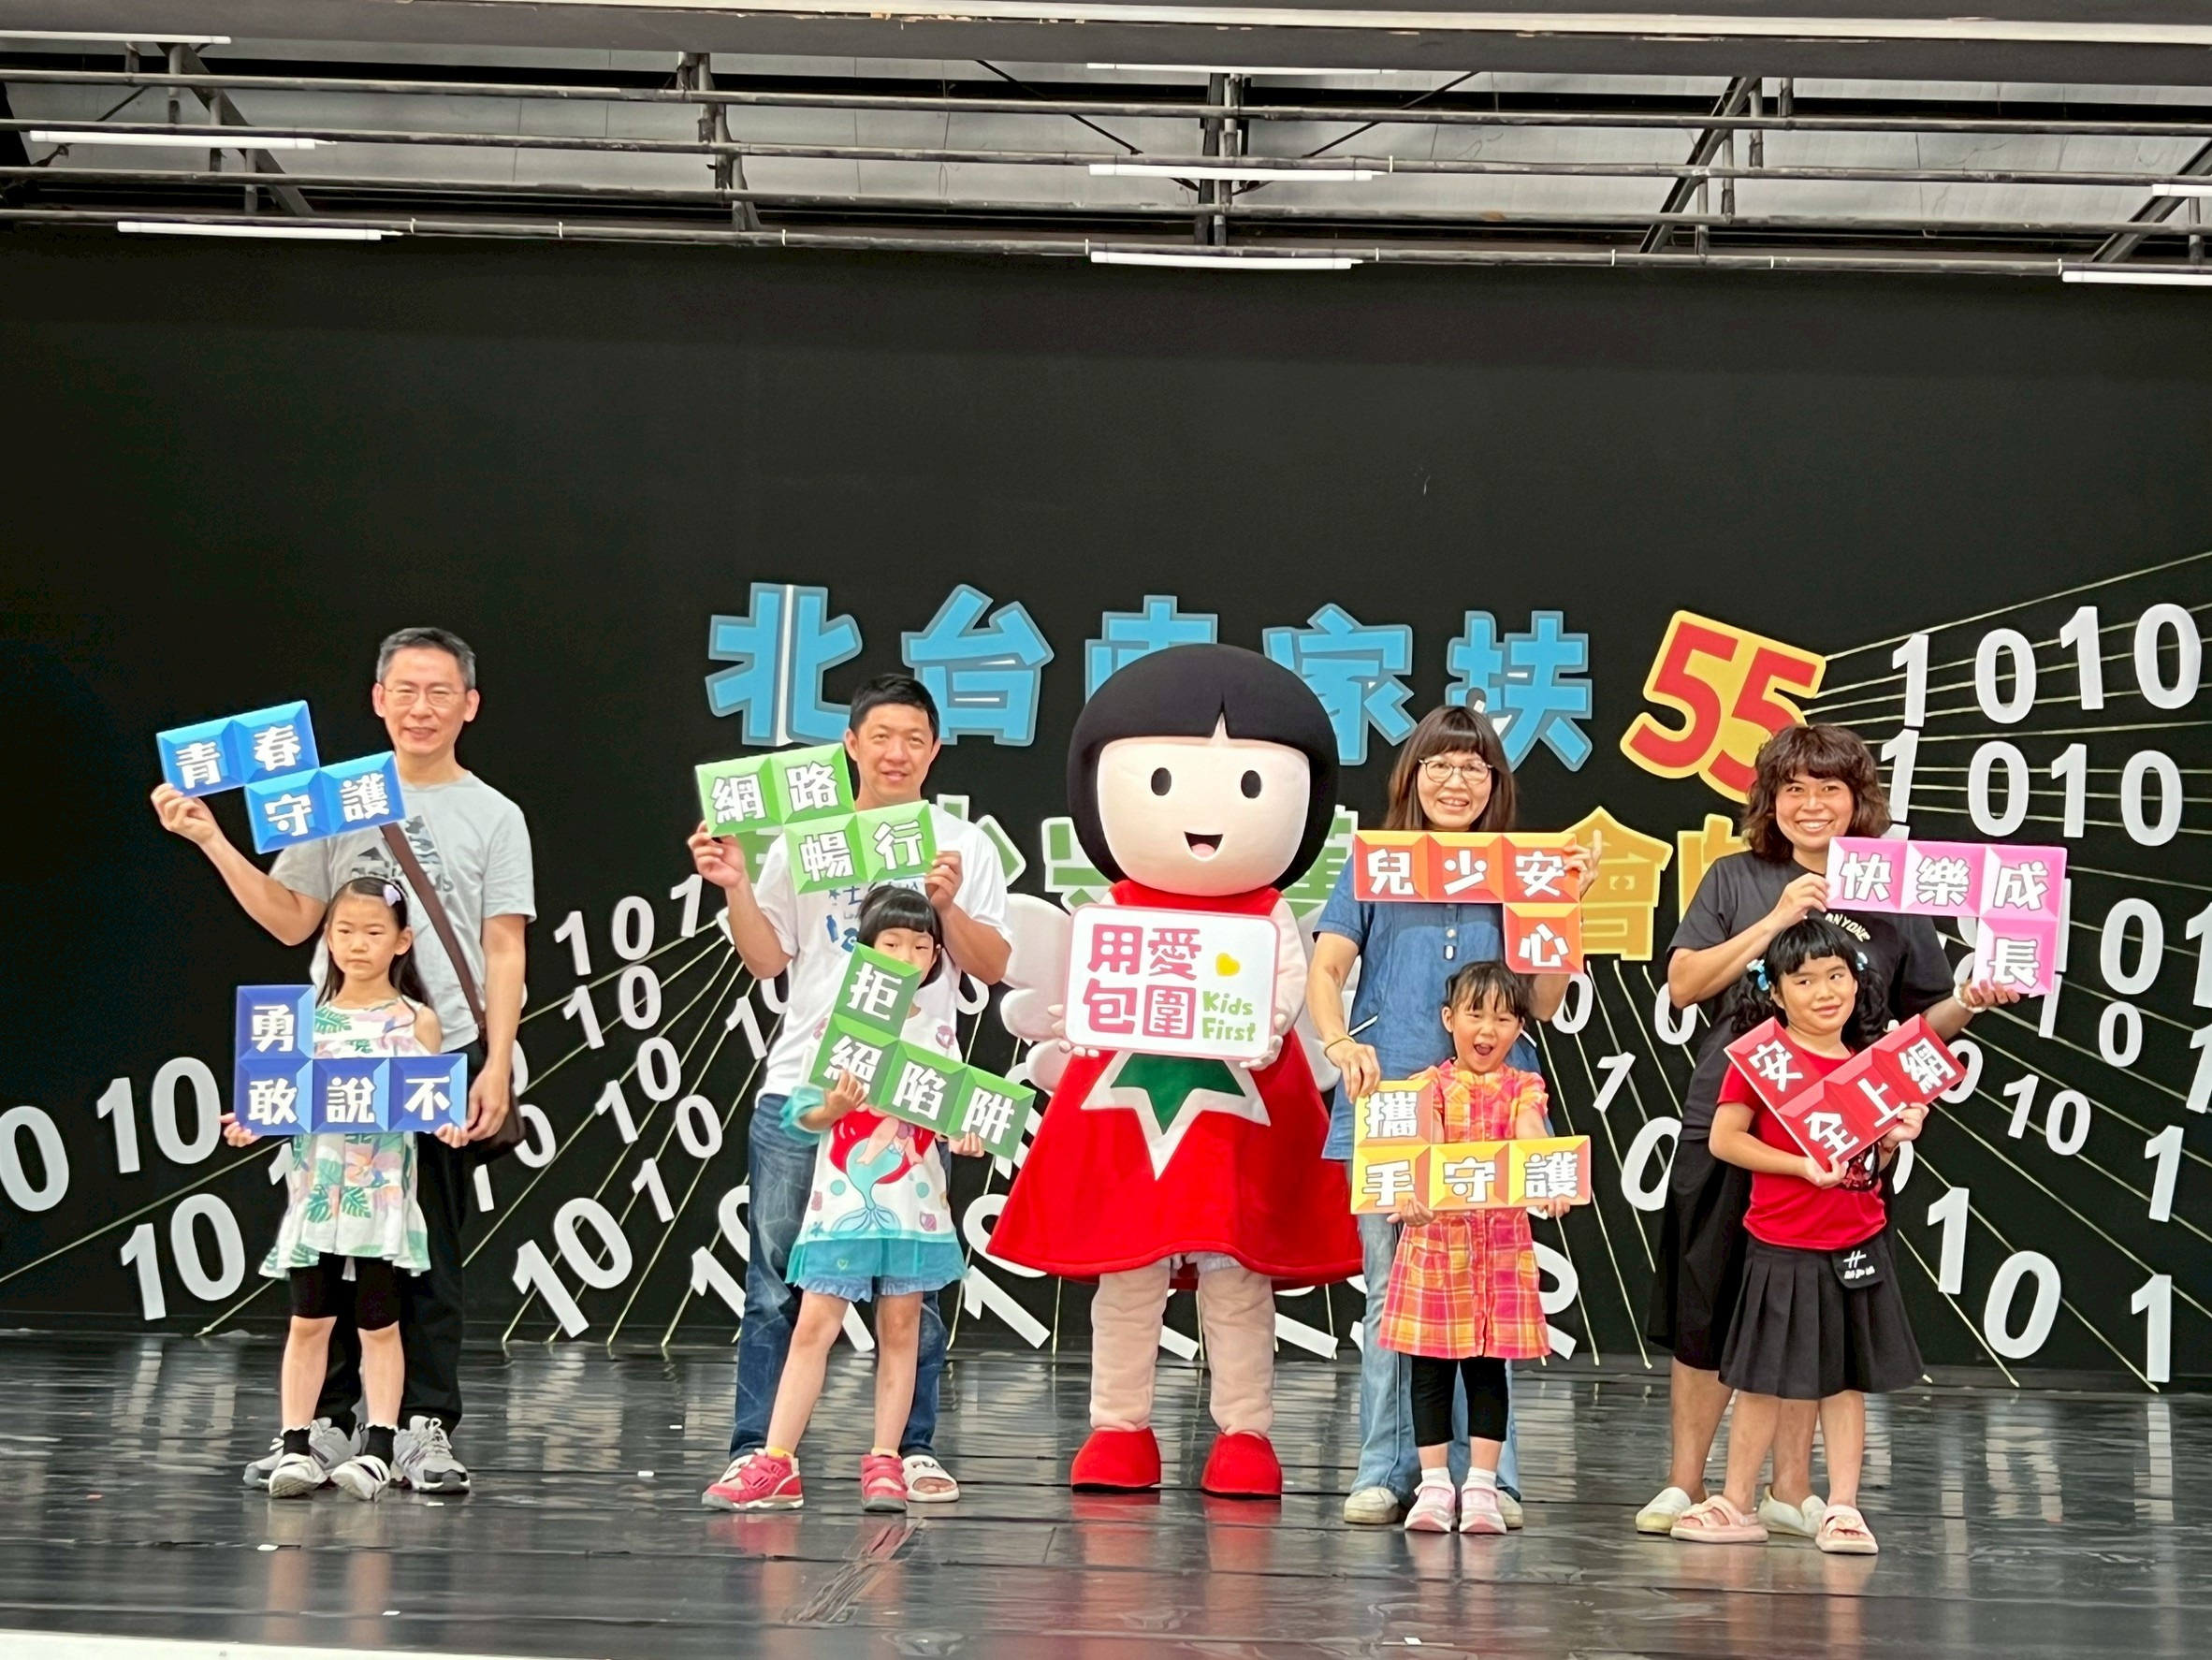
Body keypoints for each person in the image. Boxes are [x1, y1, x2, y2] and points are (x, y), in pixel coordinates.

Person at [152, 626, 533, 1495]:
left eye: (441, 692)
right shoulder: (335, 797)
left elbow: (504, 947)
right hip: (333, 1056)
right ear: (378, 699)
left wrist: (496, 1063)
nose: (422, 708)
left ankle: (421, 1428)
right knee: (322, 1250)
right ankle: (319, 1428)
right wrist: (212, 839)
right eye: (406, 690)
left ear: (470, 705)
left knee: (423, 1253)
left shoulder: (495, 815)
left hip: (437, 1052)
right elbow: (293, 919)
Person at [989, 644, 1361, 1499]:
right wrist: (1080, 1019)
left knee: (1238, 1279)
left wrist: (1262, 1026)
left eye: (1252, 786)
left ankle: (1245, 1432)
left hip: (1243, 1119)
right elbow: (1084, 992)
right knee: (1128, 1276)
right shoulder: (1112, 911)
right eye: (1159, 781)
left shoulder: (1271, 915)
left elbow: (1284, 995)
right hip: (1127, 1119)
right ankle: (1118, 1427)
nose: (1205, 813)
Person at [1639, 722, 2013, 1536]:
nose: (1812, 804)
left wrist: (1971, 1000)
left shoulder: (1893, 887)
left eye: (1830, 788)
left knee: (1808, 1308)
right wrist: (1774, 922)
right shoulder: (1737, 876)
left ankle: (1790, 1490)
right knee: (1707, 1303)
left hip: (1843, 1135)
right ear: (1770, 800)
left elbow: (1922, 1020)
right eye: (1794, 789)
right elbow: (1684, 984)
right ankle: (1683, 1483)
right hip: (1732, 1117)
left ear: (1858, 798)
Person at [693, 675, 1011, 1510]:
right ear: (851, 745)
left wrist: (947, 910)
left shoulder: (962, 845)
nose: (896, 753)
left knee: (911, 1292)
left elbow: (991, 967)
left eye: (914, 739)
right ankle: (762, 1453)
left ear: (935, 751)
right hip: (806, 1083)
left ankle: (909, 1450)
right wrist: (734, 884)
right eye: (881, 736)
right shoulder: (809, 841)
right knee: (778, 1282)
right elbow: (767, 958)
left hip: (912, 1095)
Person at [1306, 703, 1597, 1528]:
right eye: (1439, 764)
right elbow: (1326, 970)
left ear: (1495, 783)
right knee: (1392, 1293)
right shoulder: (1375, 861)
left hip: (1497, 1109)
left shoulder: (1522, 867)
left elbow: (1543, 1001)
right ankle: (1386, 1470)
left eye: (1473, 767)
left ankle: (1488, 1480)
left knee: (1489, 1293)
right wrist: (1339, 1042)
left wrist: (1564, 908)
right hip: (1394, 1100)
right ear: (1412, 777)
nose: (1456, 781)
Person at [714, 887, 987, 1512]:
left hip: (914, 1205)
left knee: (903, 1326)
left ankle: (886, 1459)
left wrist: (965, 1134)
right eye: (890, 943)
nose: (906, 956)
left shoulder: (937, 1034)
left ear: (935, 958)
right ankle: (776, 1460)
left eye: (920, 946)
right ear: (865, 951)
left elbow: (951, 1120)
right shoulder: (839, 1028)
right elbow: (802, 1115)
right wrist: (834, 1106)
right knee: (815, 1322)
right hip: (841, 1204)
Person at [1669, 919, 1931, 1554]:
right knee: (1760, 1380)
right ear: (1777, 992)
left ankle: (1843, 1508)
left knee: (1844, 1382)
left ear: (1857, 981)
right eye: (1805, 980)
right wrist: (1799, 1166)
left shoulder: (1874, 1067)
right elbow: (1726, 1139)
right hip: (1780, 1245)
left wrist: (1896, 1138)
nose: (1824, 992)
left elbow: (1870, 1165)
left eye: (1836, 975)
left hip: (1856, 1244)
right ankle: (1735, 1502)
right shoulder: (1763, 1058)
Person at [226, 879, 470, 1500]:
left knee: (380, 1326)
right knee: (308, 1322)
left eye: (373, 932)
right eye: (345, 931)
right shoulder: (300, 1021)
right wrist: (253, 1121)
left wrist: (446, 1120)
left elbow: (426, 1100)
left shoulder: (416, 1021)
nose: (358, 944)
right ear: (328, 938)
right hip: (317, 1198)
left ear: (402, 941)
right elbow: (280, 1098)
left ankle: (380, 1446)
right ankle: (296, 1444)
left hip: (381, 1199)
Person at [1379, 964, 1571, 1535]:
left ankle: (1483, 1486)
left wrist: (1545, 1172)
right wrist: (1417, 1189)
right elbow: (1427, 1145)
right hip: (1436, 1249)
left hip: (1500, 1252)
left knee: (1489, 1370)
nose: (1488, 1029)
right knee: (1430, 1371)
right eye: (1475, 1014)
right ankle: (1435, 1485)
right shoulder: (1428, 1086)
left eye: (1504, 1018)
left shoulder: (1524, 1086)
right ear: (1449, 1020)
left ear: (1519, 1030)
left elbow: (1531, 1128)